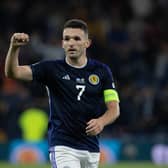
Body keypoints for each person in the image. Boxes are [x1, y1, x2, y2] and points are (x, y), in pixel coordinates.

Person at [5, 19, 120, 168]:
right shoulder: (51, 69)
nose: (71, 43)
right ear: (62, 43)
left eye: (77, 39)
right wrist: (14, 48)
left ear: (87, 43)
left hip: (91, 147)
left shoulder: (102, 71)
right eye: (67, 39)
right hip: (63, 146)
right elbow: (13, 72)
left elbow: (114, 109)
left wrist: (101, 121)